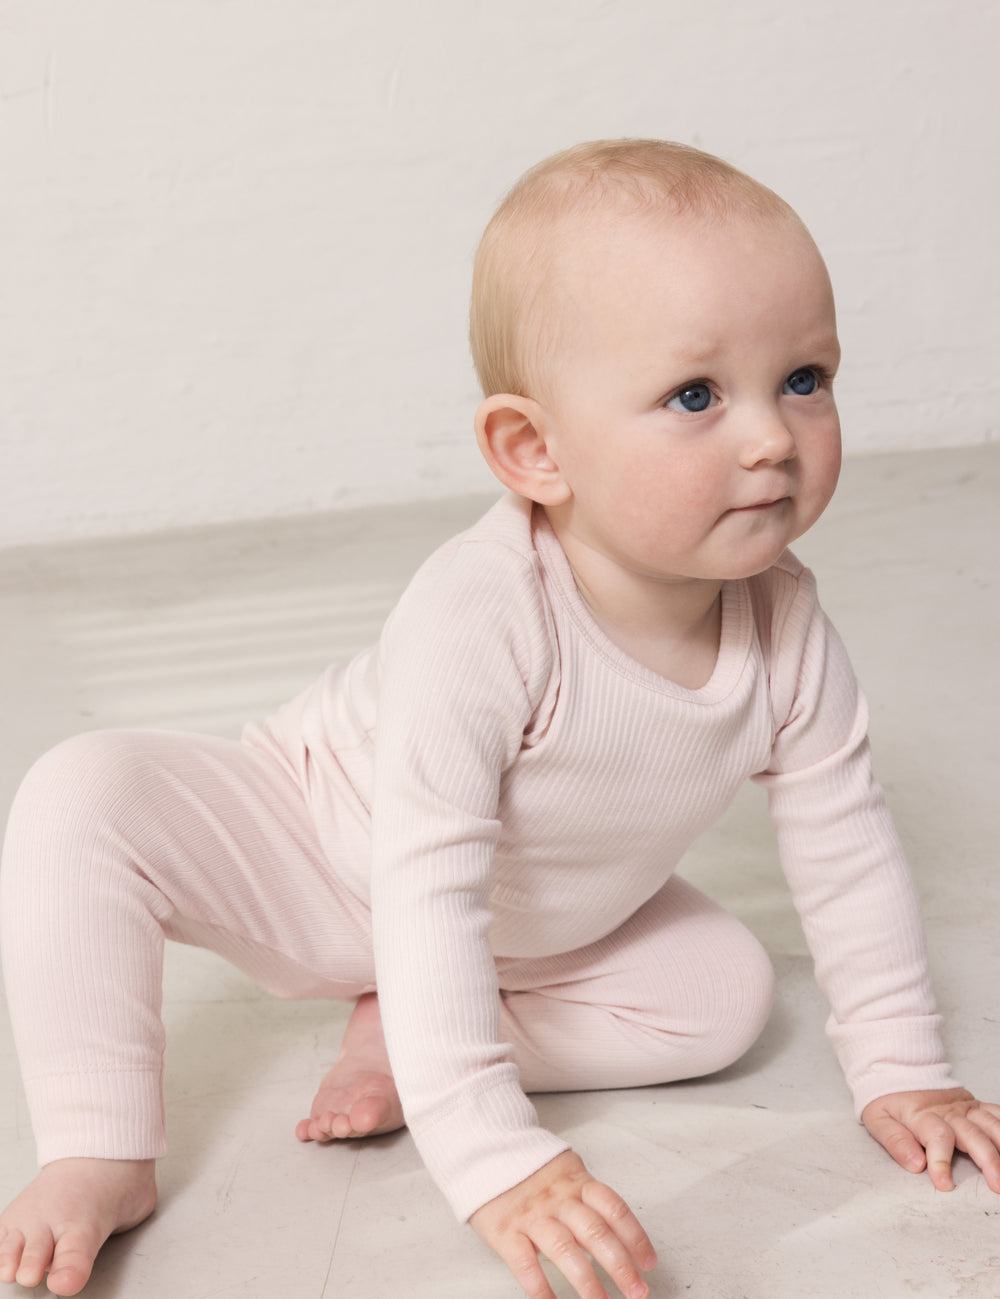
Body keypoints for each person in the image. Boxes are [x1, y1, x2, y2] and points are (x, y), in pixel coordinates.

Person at [1, 139, 998, 1299]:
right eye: (695, 396)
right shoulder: (482, 612)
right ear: (534, 451)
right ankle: (98, 1146)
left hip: (535, 928)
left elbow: (845, 846)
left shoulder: (786, 627)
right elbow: (424, 877)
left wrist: (902, 1069)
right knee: (85, 793)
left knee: (726, 999)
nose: (771, 437)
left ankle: (409, 1031)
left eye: (804, 379)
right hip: (329, 853)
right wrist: (493, 1157)